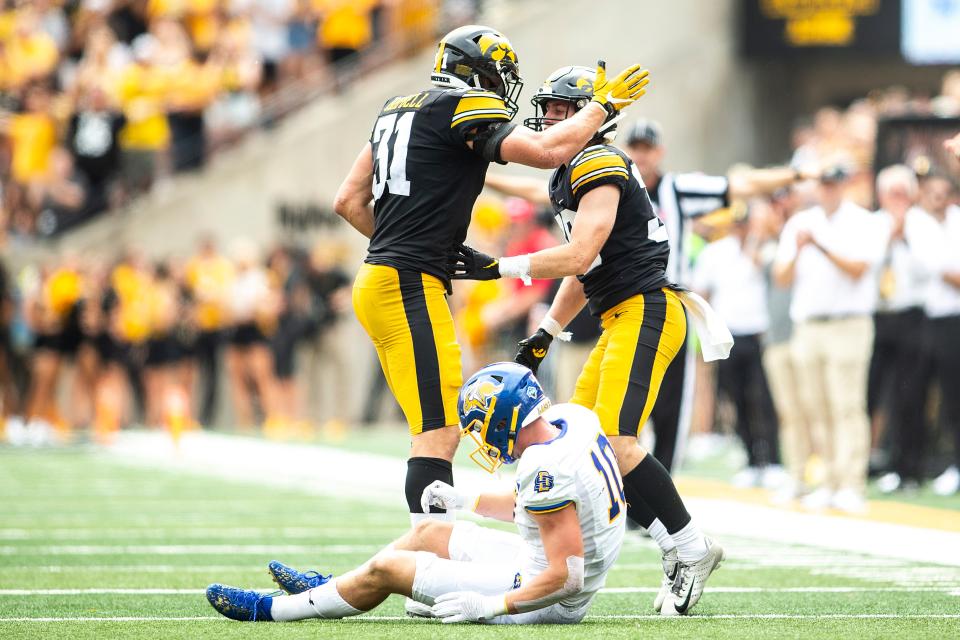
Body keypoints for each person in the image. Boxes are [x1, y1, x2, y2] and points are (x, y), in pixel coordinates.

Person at [332, 24, 650, 527]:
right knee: (438, 433)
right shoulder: (463, 106)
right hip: (406, 281)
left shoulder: (394, 107)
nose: (504, 87)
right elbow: (549, 152)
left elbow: (348, 201)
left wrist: (406, 243)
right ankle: (427, 559)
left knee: (432, 428)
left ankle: (426, 553)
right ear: (476, 71)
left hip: (380, 280)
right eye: (500, 75)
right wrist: (601, 108)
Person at [448, 66, 726, 616]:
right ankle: (679, 544)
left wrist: (499, 265)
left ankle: (688, 545)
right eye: (546, 109)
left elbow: (577, 255)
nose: (548, 119)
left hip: (647, 309)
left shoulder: (598, 162)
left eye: (558, 110)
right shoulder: (571, 170)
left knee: (618, 442)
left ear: (586, 117)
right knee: (593, 445)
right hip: (621, 311)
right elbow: (585, 269)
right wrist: (547, 332)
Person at [206, 362, 625, 625]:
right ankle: (331, 586)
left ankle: (272, 610)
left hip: (545, 597)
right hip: (538, 564)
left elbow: (566, 576)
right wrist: (465, 501)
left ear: (504, 420)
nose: (480, 437)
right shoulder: (572, 421)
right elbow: (533, 508)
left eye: (480, 426)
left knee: (387, 569)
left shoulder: (546, 467)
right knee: (426, 534)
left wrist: (491, 605)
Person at [772, 164, 888, 513]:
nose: (828, 190)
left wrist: (818, 245)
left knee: (847, 405)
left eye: (834, 184)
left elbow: (858, 270)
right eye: (823, 184)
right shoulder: (800, 222)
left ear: (844, 185)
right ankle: (828, 480)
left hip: (848, 324)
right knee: (816, 405)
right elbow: (781, 277)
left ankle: (851, 484)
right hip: (809, 324)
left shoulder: (863, 222)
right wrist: (800, 247)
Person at [692, 203, 782, 488]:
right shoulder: (715, 253)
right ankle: (751, 458)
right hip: (729, 336)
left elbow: (767, 270)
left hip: (758, 335)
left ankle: (773, 460)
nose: (741, 229)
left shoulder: (763, 250)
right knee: (737, 398)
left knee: (763, 399)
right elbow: (701, 291)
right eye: (737, 224)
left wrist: (754, 240)